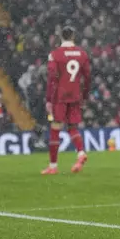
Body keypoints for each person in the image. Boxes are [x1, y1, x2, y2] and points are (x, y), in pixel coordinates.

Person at [42, 26, 90, 175]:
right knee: (72, 127)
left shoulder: (55, 55)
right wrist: (85, 95)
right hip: (75, 95)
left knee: (56, 128)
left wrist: (49, 99)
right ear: (73, 36)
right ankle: (81, 153)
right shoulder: (82, 54)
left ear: (60, 37)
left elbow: (52, 78)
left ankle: (53, 166)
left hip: (60, 96)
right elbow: (87, 77)